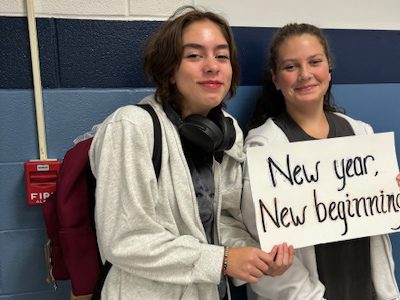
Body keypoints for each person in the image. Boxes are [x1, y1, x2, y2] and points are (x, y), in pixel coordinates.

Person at [89, 6, 293, 300]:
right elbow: (124, 239)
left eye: (221, 56)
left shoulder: (227, 132)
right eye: (194, 55)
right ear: (169, 70)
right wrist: (221, 261)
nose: (212, 66)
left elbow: (222, 220)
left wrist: (254, 255)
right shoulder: (132, 127)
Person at [241, 23, 400, 300]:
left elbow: (367, 215)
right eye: (291, 67)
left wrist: (396, 195)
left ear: (329, 69)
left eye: (315, 62)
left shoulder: (361, 133)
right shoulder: (264, 147)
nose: (305, 74)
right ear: (275, 79)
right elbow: (261, 248)